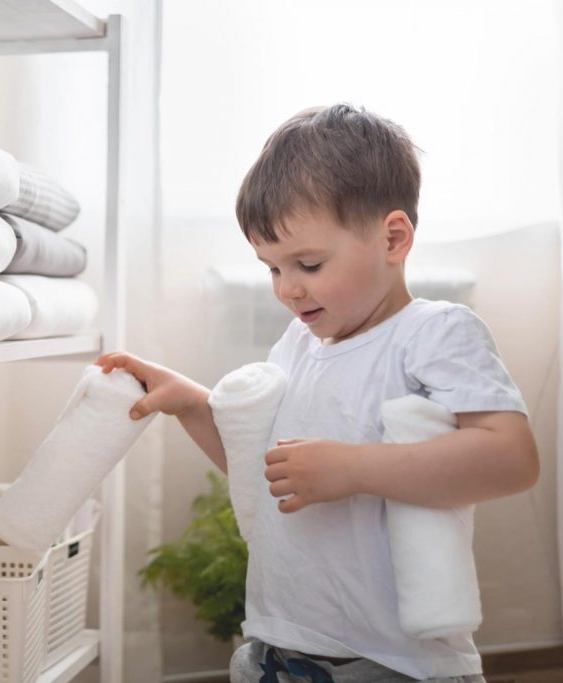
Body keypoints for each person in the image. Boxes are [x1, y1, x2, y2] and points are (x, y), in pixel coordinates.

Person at [96, 104, 539, 682]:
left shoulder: (433, 333)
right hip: (278, 646)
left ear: (394, 238)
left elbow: (511, 458)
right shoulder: (297, 346)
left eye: (307, 263)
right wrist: (191, 404)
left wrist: (354, 468)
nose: (287, 289)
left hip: (393, 662)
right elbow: (264, 469)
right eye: (271, 268)